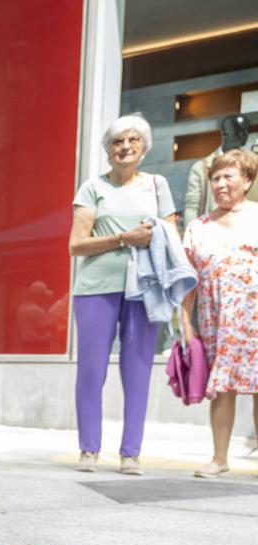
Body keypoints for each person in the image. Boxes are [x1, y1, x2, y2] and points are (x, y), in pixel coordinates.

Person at [67, 114, 176, 475]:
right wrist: (122, 239)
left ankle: (131, 453)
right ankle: (89, 450)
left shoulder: (158, 186)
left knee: (138, 370)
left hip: (143, 289)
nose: (125, 147)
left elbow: (171, 237)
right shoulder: (92, 187)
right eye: (118, 141)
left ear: (144, 148)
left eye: (133, 140)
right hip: (96, 288)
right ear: (108, 149)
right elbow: (76, 245)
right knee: (91, 370)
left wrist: (154, 232)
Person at [180, 148, 258, 478]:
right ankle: (219, 457)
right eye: (215, 177)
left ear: (248, 180)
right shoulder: (198, 227)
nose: (221, 183)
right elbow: (187, 282)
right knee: (221, 389)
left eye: (229, 176)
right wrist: (186, 324)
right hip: (216, 322)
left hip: (253, 319)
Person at [184, 114, 258, 225]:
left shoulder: (253, 163)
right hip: (214, 230)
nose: (245, 135)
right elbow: (192, 206)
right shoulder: (201, 168)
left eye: (246, 131)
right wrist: (191, 235)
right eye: (240, 132)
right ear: (226, 134)